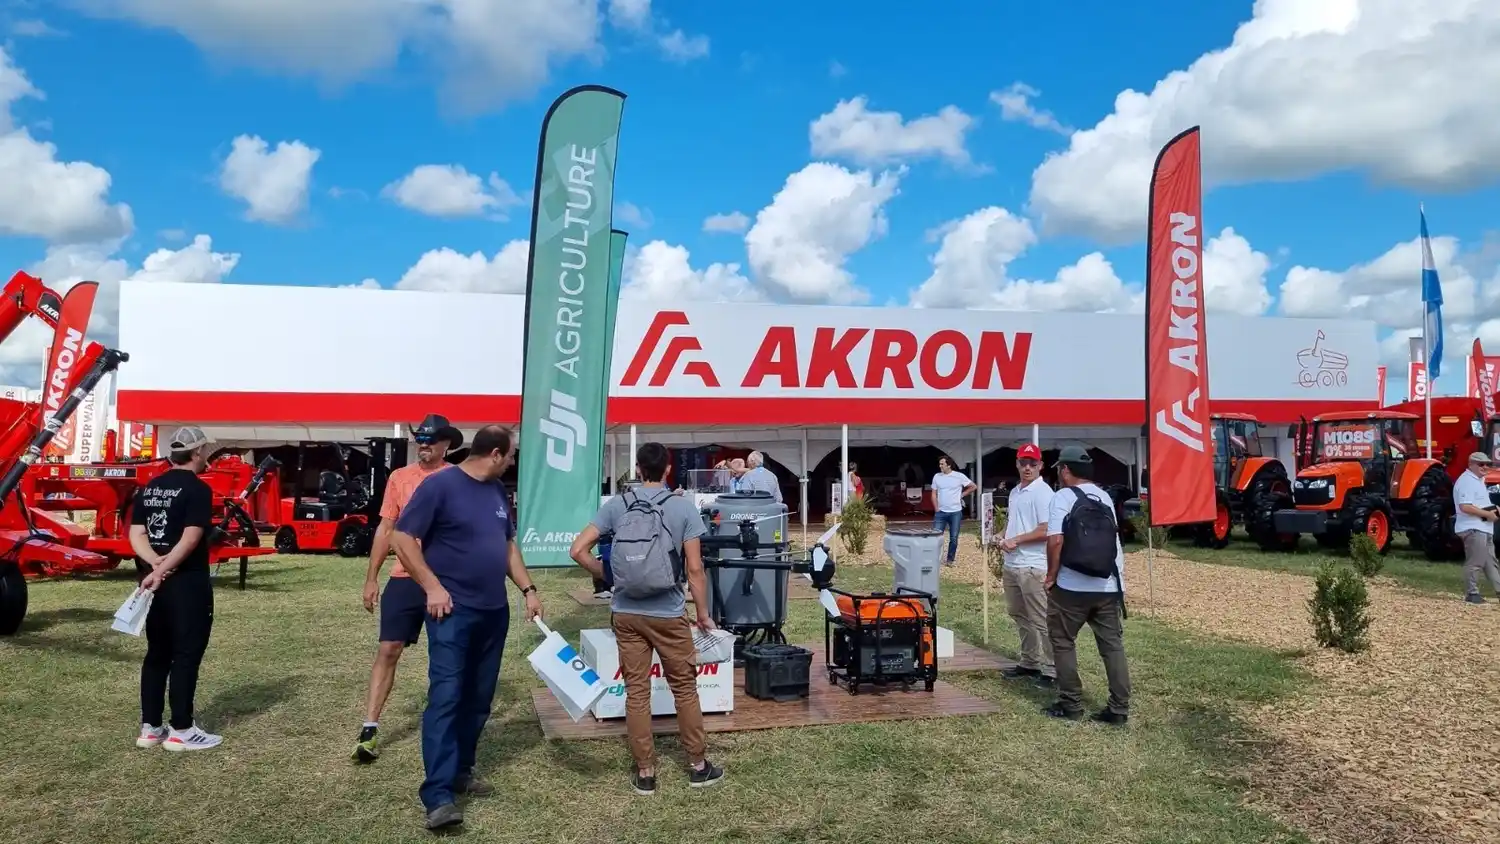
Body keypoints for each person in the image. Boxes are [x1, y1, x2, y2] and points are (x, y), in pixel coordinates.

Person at [391, 425, 543, 831]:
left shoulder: (495, 492)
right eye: (510, 456)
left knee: (478, 697)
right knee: (447, 696)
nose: (512, 463)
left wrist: (527, 588)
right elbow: (401, 537)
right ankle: (438, 796)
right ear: (494, 453)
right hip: (453, 612)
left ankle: (461, 770)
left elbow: (508, 544)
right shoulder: (441, 486)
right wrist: (432, 586)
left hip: (494, 611)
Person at [568, 442, 726, 796]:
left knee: (635, 692)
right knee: (684, 688)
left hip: (626, 614)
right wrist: (702, 614)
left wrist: (607, 575)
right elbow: (695, 570)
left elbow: (577, 549)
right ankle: (698, 766)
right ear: (668, 469)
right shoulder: (683, 509)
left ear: (638, 469)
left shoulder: (617, 505)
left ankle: (645, 772)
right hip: (669, 613)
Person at [352, 414, 462, 763]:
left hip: (444, 581)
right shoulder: (399, 478)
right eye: (420, 439)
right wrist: (371, 578)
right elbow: (386, 529)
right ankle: (369, 727)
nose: (423, 445)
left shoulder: (458, 479)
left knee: (447, 657)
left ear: (446, 444)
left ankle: (449, 729)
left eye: (430, 440)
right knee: (388, 649)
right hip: (403, 578)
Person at [129, 426, 222, 751]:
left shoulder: (150, 487)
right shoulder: (197, 490)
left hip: (155, 583)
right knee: (185, 654)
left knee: (157, 654)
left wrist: (154, 565)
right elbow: (191, 537)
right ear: (197, 453)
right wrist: (165, 568)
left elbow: (137, 533)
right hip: (186, 583)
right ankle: (181, 729)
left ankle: (151, 727)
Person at [1043, 445, 1130, 725]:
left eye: (1059, 468)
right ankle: (1119, 709)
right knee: (1112, 647)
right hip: (1108, 585)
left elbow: (1055, 541)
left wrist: (1051, 576)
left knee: (1063, 641)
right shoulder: (1104, 496)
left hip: (1071, 587)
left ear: (1065, 470)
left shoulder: (1062, 498)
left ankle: (1071, 705)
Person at [999, 444, 1055, 685]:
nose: (1028, 468)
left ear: (1041, 466)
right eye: (1024, 463)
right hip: (1013, 563)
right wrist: (1002, 536)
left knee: (1041, 619)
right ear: (1017, 464)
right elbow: (1016, 523)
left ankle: (1052, 669)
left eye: (1033, 463)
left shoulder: (1043, 493)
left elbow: (1046, 529)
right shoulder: (1015, 492)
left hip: (1033, 565)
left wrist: (1016, 540)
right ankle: (1030, 661)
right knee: (1019, 614)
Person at [1453, 451, 1500, 604]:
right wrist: (1489, 515)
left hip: (1484, 528)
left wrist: (1494, 509)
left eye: (1488, 464)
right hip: (1473, 528)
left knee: (1490, 562)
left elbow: (1478, 504)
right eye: (1481, 464)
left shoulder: (1478, 480)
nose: (1485, 467)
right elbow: (1465, 506)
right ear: (1471, 464)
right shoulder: (1467, 481)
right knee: (1475, 562)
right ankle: (1472, 594)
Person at [931, 455, 976, 566]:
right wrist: (936, 508)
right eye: (940, 464)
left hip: (955, 512)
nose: (940, 466)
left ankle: (950, 560)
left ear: (949, 465)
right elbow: (933, 494)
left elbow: (973, 486)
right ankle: (935, 559)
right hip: (941, 512)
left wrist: (961, 495)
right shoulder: (937, 476)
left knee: (954, 537)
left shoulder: (959, 476)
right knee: (935, 537)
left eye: (942, 464)